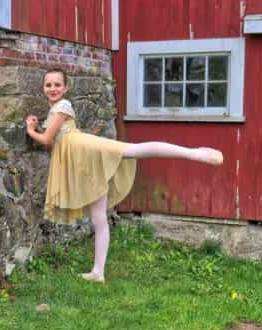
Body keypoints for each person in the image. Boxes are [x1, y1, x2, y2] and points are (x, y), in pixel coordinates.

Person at [25, 68, 223, 283]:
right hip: (80, 158)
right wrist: (38, 126)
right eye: (48, 85)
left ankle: (193, 153)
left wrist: (30, 129)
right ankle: (98, 272)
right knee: (99, 217)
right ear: (43, 87)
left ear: (66, 87)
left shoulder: (61, 107)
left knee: (132, 150)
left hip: (85, 150)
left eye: (57, 85)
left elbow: (45, 140)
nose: (52, 89)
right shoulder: (54, 108)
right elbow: (54, 140)